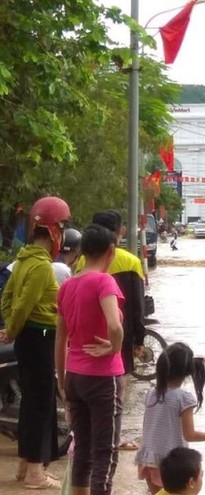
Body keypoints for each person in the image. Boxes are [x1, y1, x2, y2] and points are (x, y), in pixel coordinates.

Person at [0, 196, 70, 490]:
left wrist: (12, 329)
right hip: (40, 337)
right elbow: (23, 305)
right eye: (63, 227)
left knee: (32, 402)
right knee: (40, 405)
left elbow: (7, 299)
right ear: (54, 231)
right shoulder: (41, 268)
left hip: (28, 338)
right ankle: (34, 473)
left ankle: (23, 467)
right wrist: (13, 329)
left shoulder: (23, 261)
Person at [56, 223, 125, 495]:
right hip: (102, 378)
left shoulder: (67, 285)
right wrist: (114, 348)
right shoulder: (104, 281)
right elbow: (115, 326)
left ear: (83, 251)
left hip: (74, 376)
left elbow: (60, 340)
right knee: (105, 454)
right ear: (111, 251)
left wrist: (62, 382)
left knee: (83, 451)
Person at [77, 209, 146, 449]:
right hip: (119, 337)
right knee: (117, 392)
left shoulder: (80, 263)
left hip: (85, 338)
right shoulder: (130, 261)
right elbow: (137, 305)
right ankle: (112, 439)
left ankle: (90, 437)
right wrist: (139, 338)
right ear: (118, 231)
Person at [136, 342, 205, 495]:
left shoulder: (152, 393)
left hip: (147, 458)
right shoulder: (183, 399)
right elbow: (189, 435)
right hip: (171, 463)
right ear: (188, 371)